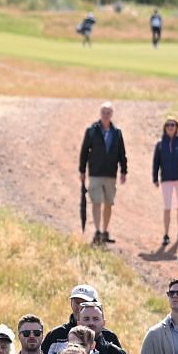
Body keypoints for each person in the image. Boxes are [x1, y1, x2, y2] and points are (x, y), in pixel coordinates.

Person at [77, 102, 128, 246]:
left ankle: (105, 231)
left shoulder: (117, 133)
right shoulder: (92, 131)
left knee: (108, 203)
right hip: (95, 172)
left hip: (111, 173)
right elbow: (84, 151)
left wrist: (124, 170)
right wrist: (82, 170)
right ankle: (97, 231)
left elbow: (121, 153)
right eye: (104, 112)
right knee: (96, 202)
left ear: (111, 114)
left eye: (108, 112)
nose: (106, 115)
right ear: (100, 113)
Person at [152, 117, 178, 253]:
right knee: (167, 207)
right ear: (165, 127)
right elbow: (156, 162)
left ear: (176, 127)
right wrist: (155, 178)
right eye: (168, 125)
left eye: (173, 125)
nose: (170, 127)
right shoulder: (160, 144)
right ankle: (166, 234)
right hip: (166, 179)